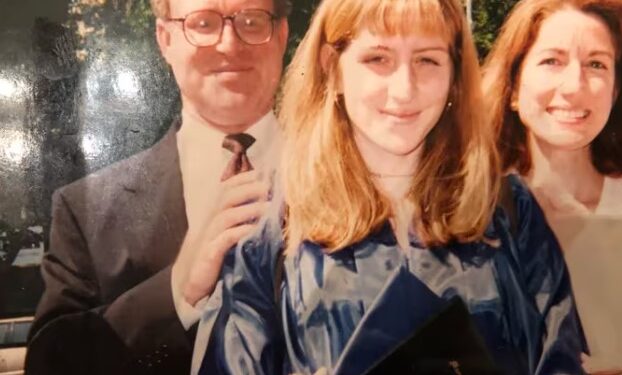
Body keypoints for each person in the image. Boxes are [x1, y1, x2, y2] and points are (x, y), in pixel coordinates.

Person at [193, 0, 587, 373]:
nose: (404, 90)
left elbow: (561, 362)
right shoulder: (268, 224)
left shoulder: (508, 212)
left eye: (427, 60)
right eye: (377, 59)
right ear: (333, 69)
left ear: (454, 76)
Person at [25, 0, 289, 374]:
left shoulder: (356, 181)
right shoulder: (85, 209)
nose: (230, 44)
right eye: (203, 23)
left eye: (251, 20)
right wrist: (178, 287)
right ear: (165, 39)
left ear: (281, 35)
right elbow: (50, 365)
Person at [482, 0, 622, 373]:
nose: (575, 86)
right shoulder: (468, 221)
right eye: (552, 60)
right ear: (514, 88)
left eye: (596, 64)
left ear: (615, 93)